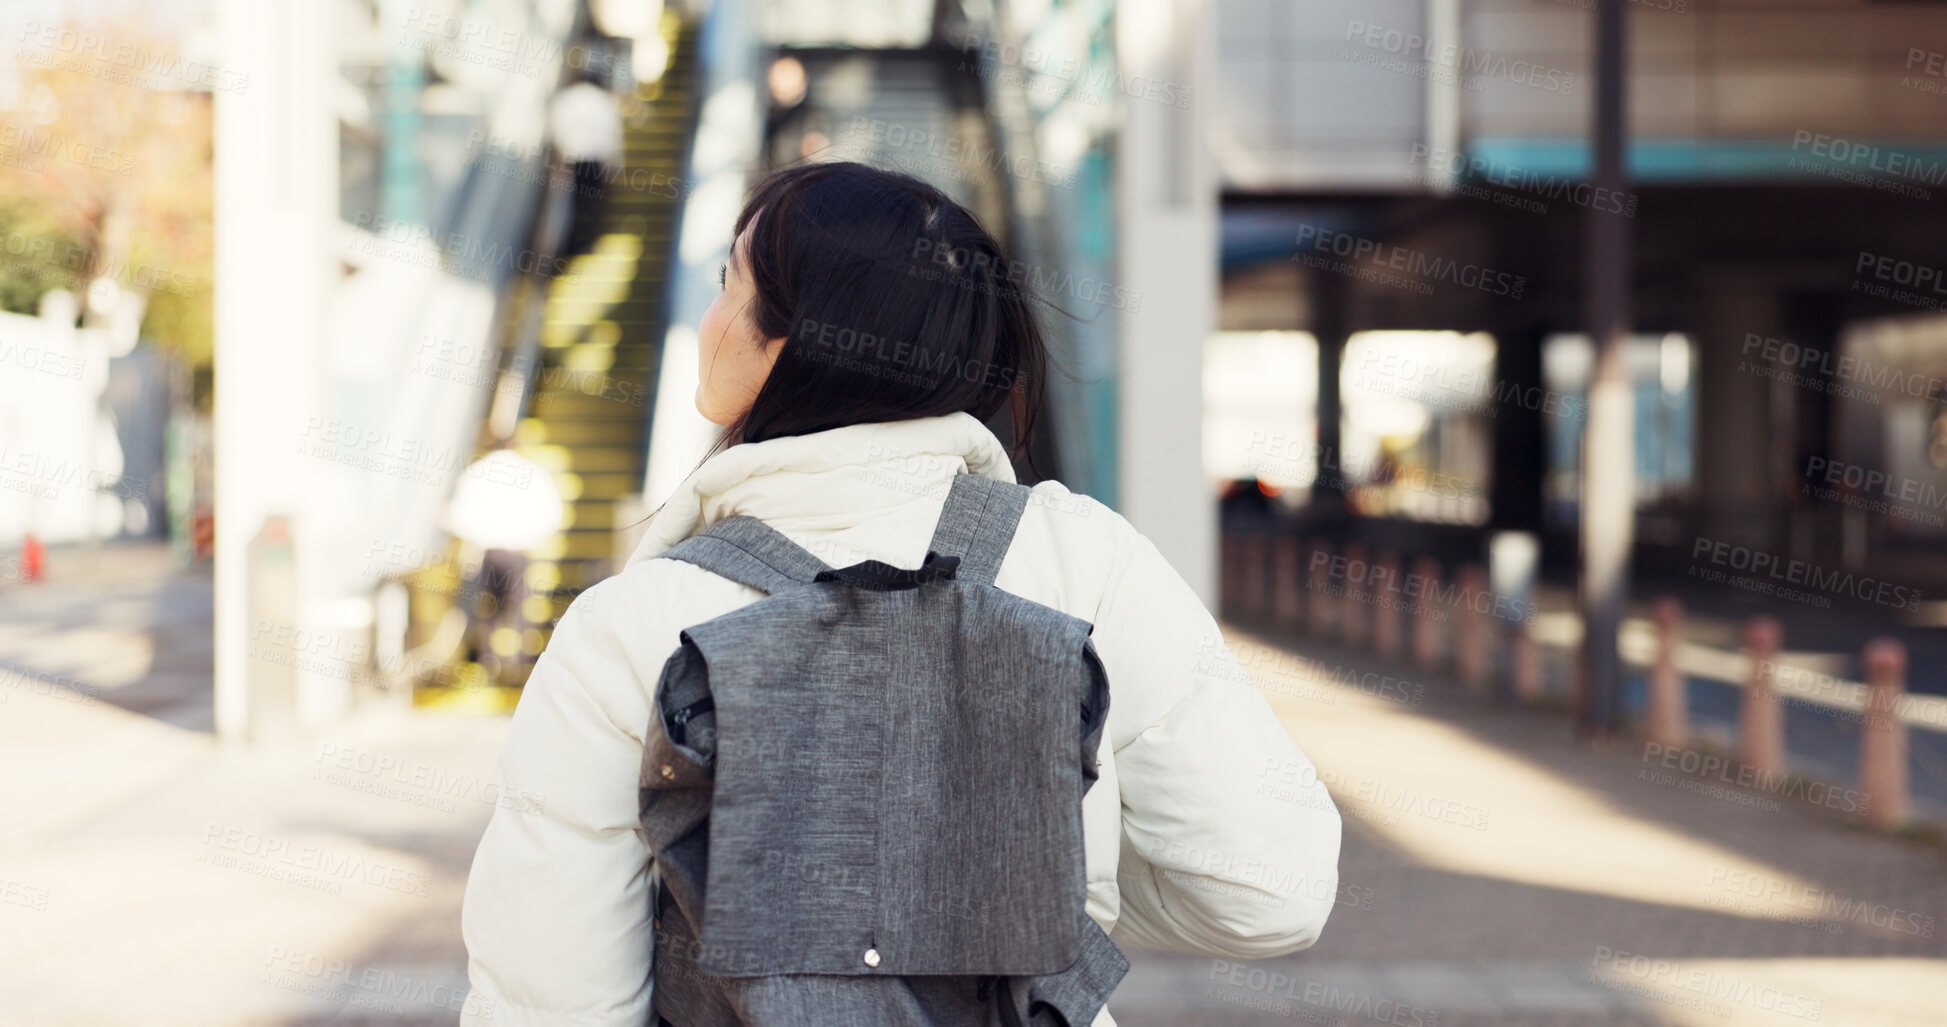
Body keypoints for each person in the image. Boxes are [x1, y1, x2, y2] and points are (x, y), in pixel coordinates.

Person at [459, 162, 1343, 1026]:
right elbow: (1269, 892)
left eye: (729, 285)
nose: (709, 317)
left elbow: (549, 995)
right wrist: (1028, 877)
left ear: (792, 338)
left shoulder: (630, 625)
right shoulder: (1083, 559)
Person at [547, 68, 624, 258]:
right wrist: (615, 164)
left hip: (572, 157)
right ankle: (582, 245)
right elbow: (613, 135)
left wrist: (561, 154)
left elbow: (556, 126)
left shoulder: (567, 98)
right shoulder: (605, 101)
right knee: (588, 206)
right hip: (595, 161)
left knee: (565, 206)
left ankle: (565, 248)